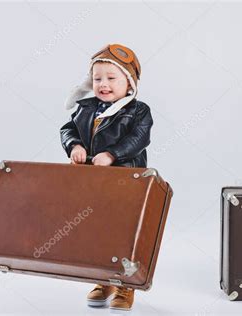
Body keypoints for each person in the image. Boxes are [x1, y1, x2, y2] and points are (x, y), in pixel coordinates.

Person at [59, 43, 153, 311]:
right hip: (93, 185)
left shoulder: (138, 111)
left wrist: (112, 154)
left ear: (129, 82)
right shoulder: (86, 108)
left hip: (126, 183)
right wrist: (75, 146)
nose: (103, 84)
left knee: (124, 233)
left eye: (112, 78)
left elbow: (139, 138)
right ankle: (103, 279)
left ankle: (126, 285)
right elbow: (68, 129)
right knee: (96, 233)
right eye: (97, 78)